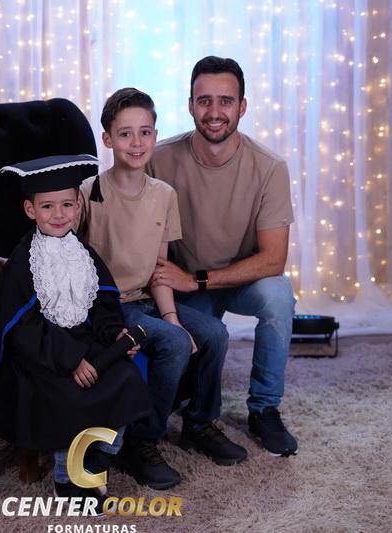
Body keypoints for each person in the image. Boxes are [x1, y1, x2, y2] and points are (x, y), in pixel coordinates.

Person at [78, 88, 245, 491]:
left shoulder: (164, 195)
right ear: (108, 139)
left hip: (149, 300)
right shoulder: (87, 193)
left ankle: (199, 422)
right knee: (172, 343)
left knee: (214, 332)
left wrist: (172, 317)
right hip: (111, 307)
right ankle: (142, 439)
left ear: (155, 135)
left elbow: (160, 269)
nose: (136, 143)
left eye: (145, 132)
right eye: (125, 134)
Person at [0, 154, 154, 513]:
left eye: (67, 205)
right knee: (68, 394)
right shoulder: (23, 262)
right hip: (44, 354)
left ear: (78, 207)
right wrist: (71, 359)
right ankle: (67, 478)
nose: (58, 214)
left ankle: (98, 457)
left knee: (126, 376)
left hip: (86, 343)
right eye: (47, 206)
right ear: (30, 210)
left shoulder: (84, 254)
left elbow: (103, 303)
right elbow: (22, 327)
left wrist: (114, 335)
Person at [147, 56, 298, 457]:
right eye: (205, 101)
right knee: (196, 355)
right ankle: (191, 414)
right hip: (186, 281)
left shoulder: (270, 167)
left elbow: (274, 260)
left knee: (279, 296)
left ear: (242, 107)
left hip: (241, 278)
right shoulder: (159, 158)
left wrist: (198, 280)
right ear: (190, 105)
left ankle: (264, 408)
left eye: (226, 101)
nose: (215, 112)